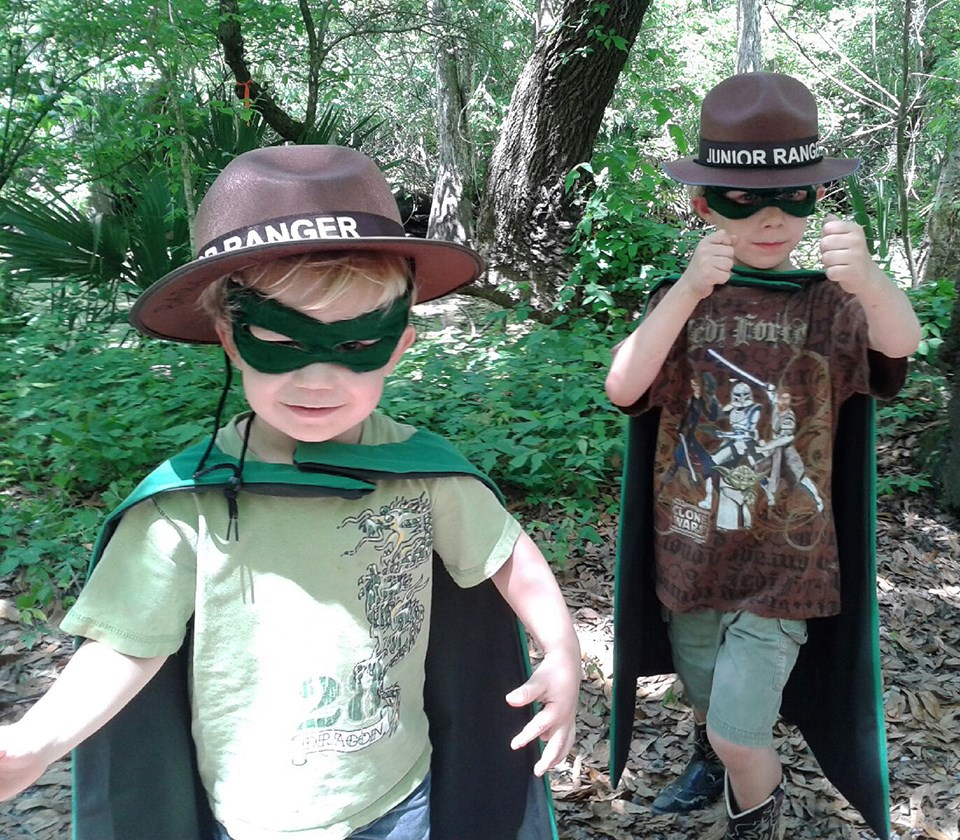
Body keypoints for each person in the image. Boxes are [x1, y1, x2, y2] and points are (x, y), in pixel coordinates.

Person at [0, 145, 581, 840]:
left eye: (357, 346)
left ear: (399, 346)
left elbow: (506, 556)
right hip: (249, 816)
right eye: (279, 339)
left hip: (397, 800)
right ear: (230, 338)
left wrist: (563, 646)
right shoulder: (187, 502)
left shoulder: (425, 474)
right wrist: (34, 742)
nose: (316, 380)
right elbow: (127, 644)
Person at [605, 72, 920, 839]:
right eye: (748, 199)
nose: (774, 218)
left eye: (795, 197)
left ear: (818, 199)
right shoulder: (681, 298)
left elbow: (899, 349)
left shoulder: (829, 304)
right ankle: (711, 758)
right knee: (711, 701)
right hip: (692, 553)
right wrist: (685, 291)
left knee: (744, 732)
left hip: (787, 561)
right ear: (705, 205)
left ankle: (753, 816)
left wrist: (872, 282)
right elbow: (623, 387)